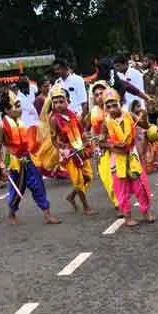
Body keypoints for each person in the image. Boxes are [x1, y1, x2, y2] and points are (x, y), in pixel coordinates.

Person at [0, 91, 60, 225]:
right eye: (16, 106)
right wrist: (2, 166)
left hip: (28, 159)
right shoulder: (1, 127)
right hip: (13, 162)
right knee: (17, 190)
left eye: (19, 105)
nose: (19, 109)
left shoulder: (21, 122)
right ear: (7, 110)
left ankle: (47, 214)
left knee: (38, 185)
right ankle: (11, 213)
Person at [101, 87, 154, 226]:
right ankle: (127, 217)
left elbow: (145, 125)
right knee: (121, 189)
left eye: (115, 105)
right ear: (105, 108)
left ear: (120, 103)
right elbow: (101, 142)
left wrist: (144, 115)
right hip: (117, 158)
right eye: (109, 106)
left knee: (140, 186)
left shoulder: (129, 115)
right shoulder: (105, 123)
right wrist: (113, 146)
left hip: (132, 155)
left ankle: (146, 212)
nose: (112, 109)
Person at [48, 85, 96, 216]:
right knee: (78, 180)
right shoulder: (53, 119)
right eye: (55, 102)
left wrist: (86, 140)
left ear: (67, 102)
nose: (58, 105)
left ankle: (71, 196)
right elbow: (53, 140)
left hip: (80, 149)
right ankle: (86, 207)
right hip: (69, 153)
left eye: (61, 101)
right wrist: (63, 148)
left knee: (88, 177)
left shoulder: (73, 116)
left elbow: (81, 132)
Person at [85, 80, 118, 212]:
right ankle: (118, 204)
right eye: (96, 94)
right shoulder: (93, 111)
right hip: (101, 148)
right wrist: (88, 136)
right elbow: (87, 127)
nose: (99, 97)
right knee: (107, 177)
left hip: (117, 146)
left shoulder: (115, 108)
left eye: (102, 93)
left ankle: (123, 200)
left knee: (120, 176)